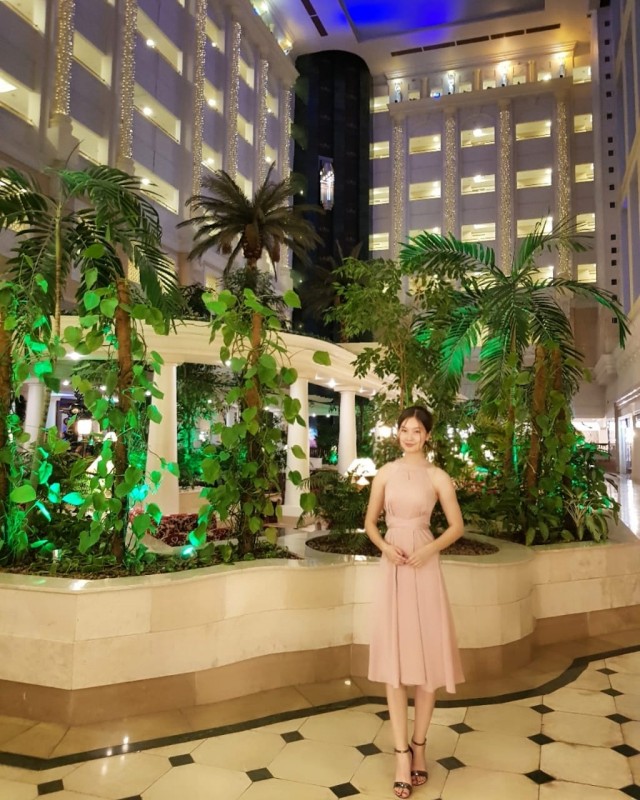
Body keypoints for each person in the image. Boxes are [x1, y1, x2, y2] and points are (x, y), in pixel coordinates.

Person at [365, 406, 465, 799]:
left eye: (417, 430)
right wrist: (385, 547)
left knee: (426, 660)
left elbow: (457, 526)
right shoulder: (385, 473)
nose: (409, 436)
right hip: (393, 565)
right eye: (404, 430)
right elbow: (370, 522)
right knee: (395, 661)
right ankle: (401, 756)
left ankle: (420, 747)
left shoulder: (437, 476)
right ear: (398, 434)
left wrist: (429, 550)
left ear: (427, 435)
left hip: (424, 565)